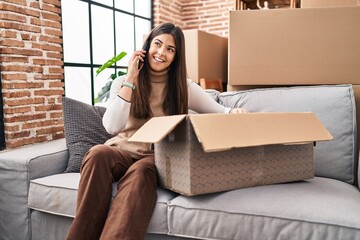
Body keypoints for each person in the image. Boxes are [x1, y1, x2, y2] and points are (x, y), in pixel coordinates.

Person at [66, 22, 247, 240]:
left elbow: (220, 111)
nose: (161, 52)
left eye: (170, 49)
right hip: (123, 151)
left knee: (140, 172)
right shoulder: (123, 82)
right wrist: (131, 79)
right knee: (97, 154)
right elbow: (111, 127)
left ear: (176, 57)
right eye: (158, 44)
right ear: (147, 46)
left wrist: (233, 112)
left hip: (156, 156)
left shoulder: (183, 87)